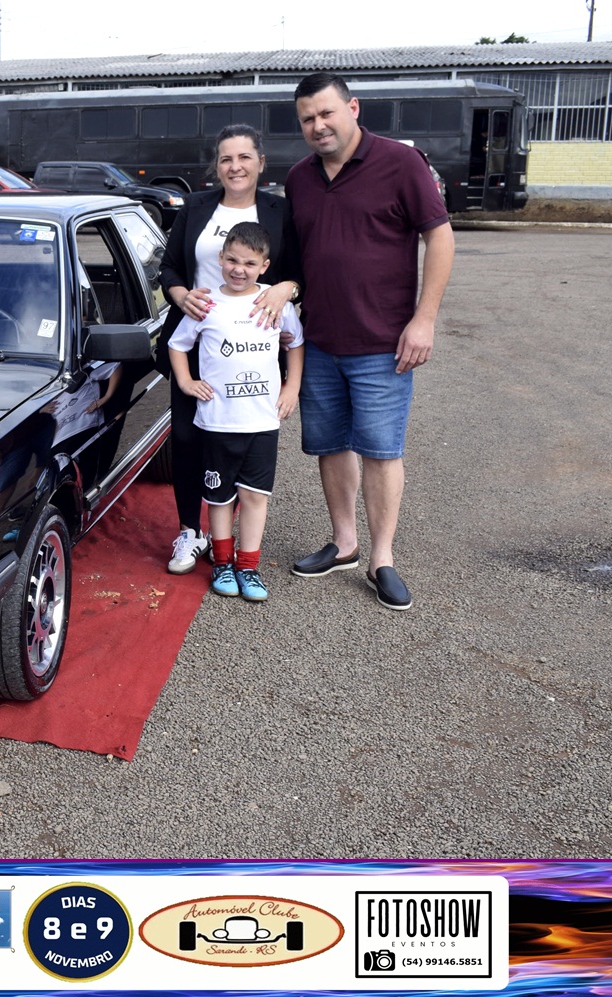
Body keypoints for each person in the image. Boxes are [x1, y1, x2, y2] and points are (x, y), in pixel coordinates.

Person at [284, 72, 455, 611]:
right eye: (307, 119)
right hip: (319, 342)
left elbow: (440, 237)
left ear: (353, 108)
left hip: (384, 343)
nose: (318, 126)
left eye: (326, 113)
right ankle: (344, 544)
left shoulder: (401, 164)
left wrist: (424, 319)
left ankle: (382, 559)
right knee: (330, 445)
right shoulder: (299, 178)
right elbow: (296, 257)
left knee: (381, 451)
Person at [156, 124, 303, 575]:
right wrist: (181, 297)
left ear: (261, 162)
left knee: (241, 439)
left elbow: (300, 270)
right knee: (187, 437)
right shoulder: (196, 206)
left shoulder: (280, 210)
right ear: (216, 166)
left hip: (253, 341)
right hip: (196, 339)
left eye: (244, 157)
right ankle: (190, 530)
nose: (235, 166)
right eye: (225, 159)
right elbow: (169, 267)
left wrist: (288, 288)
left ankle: (231, 531)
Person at [166, 221, 304, 602]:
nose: (239, 269)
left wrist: (292, 387)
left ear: (265, 266)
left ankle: (248, 566)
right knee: (220, 497)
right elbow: (177, 345)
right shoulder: (206, 304)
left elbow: (295, 343)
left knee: (255, 496)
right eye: (232, 260)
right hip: (217, 421)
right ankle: (223, 563)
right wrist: (186, 381)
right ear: (220, 258)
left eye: (249, 263)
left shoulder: (275, 303)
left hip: (261, 421)